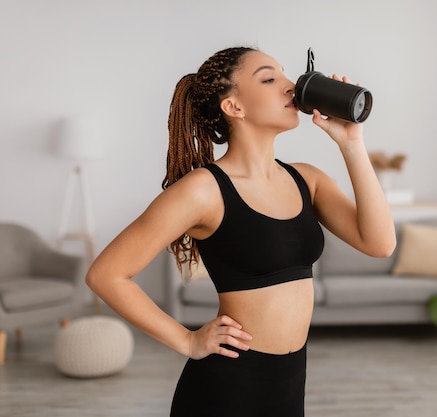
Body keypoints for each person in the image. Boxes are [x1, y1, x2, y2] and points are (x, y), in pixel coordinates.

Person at [86, 46, 396, 417]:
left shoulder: (307, 179)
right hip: (228, 386)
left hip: (290, 381)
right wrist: (186, 340)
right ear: (234, 107)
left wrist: (352, 143)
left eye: (284, 74)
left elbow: (380, 243)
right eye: (269, 78)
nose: (289, 86)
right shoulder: (203, 190)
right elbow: (106, 274)